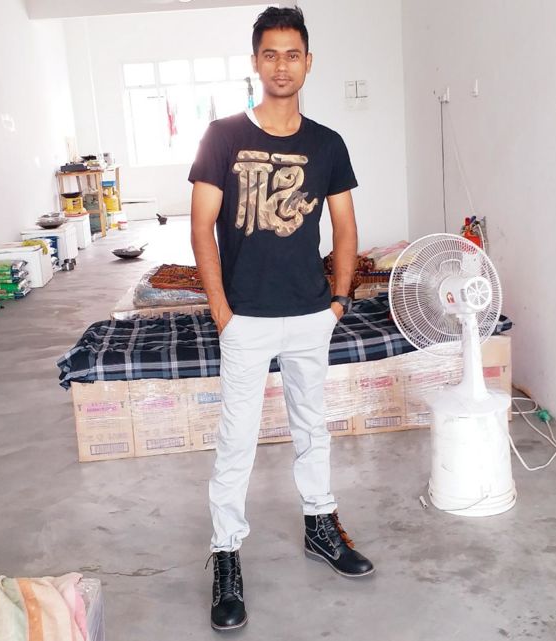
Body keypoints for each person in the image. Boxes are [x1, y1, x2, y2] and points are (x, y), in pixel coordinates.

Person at [189, 5, 374, 631]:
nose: (282, 66)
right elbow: (201, 228)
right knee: (236, 442)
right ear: (255, 62)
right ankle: (226, 556)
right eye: (270, 54)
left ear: (308, 62)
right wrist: (221, 311)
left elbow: (345, 226)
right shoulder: (221, 136)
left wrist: (338, 301)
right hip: (245, 318)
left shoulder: (327, 144)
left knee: (312, 428)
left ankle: (321, 527)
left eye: (292, 54)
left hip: (310, 314)